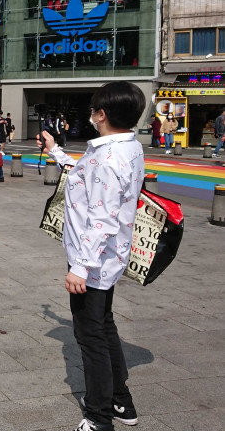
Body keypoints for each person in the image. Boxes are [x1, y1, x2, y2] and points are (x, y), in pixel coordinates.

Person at [38, 81, 145, 431]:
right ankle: (120, 401)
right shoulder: (127, 147)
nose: (91, 114)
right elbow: (86, 178)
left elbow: (101, 218)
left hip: (93, 260)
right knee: (104, 326)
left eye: (94, 109)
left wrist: (80, 268)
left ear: (101, 114)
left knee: (91, 338)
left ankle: (99, 416)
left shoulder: (108, 158)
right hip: (109, 258)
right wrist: (56, 152)